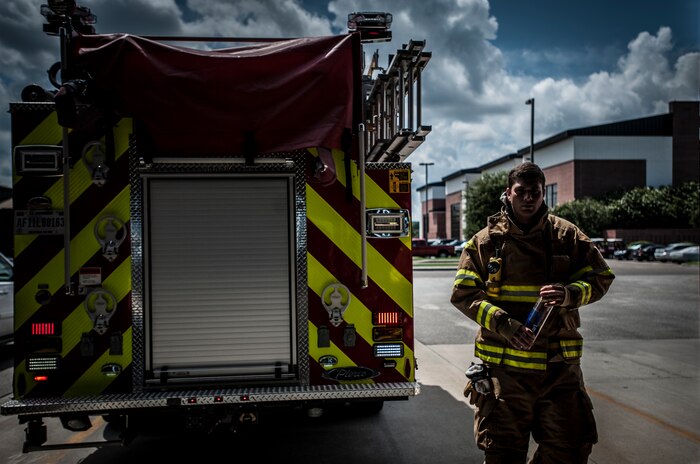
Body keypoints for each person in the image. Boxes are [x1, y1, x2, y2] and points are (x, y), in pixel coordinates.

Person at [451, 162, 615, 463]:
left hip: (558, 370)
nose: (528, 198)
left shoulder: (567, 236)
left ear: (543, 195)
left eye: (535, 193)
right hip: (505, 374)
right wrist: (506, 325)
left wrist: (570, 294)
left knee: (572, 445)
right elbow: (464, 294)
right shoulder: (485, 242)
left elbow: (601, 277)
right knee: (503, 452)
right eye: (521, 192)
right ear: (508, 194)